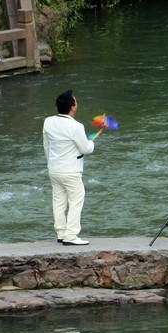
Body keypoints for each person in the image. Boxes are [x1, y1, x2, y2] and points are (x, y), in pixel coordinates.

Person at [43, 90, 101, 246]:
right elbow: (86, 149)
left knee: (59, 200)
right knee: (76, 199)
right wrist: (92, 142)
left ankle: (61, 233)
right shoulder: (76, 126)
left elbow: (46, 145)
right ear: (72, 107)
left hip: (54, 169)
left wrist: (51, 163)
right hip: (70, 170)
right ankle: (71, 235)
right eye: (75, 101)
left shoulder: (48, 121)